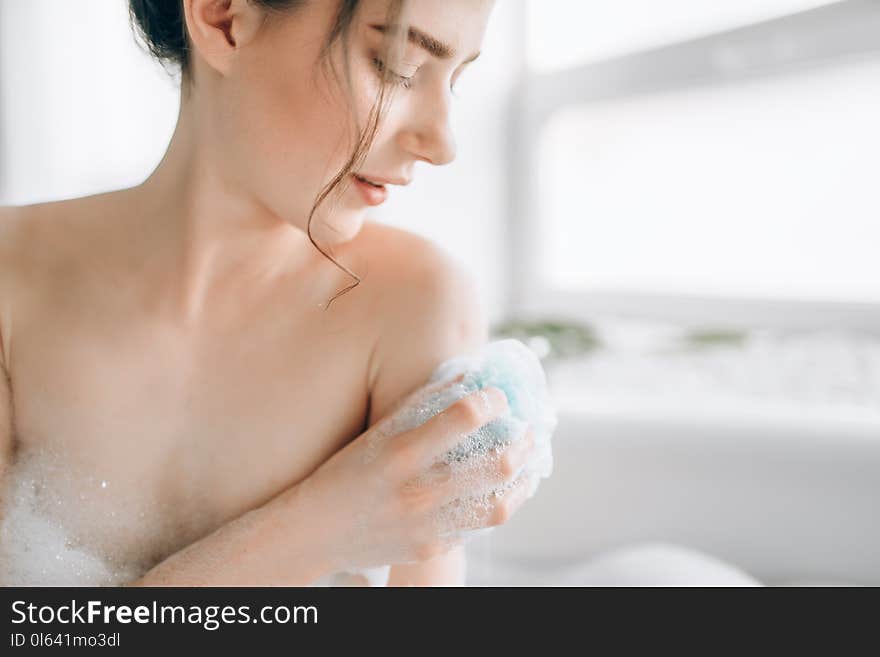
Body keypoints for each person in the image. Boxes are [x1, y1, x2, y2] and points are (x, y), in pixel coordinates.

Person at [0, 0, 539, 586]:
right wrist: (325, 524)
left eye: (454, 81)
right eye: (396, 66)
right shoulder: (12, 275)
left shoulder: (415, 303)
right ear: (224, 19)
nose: (441, 142)